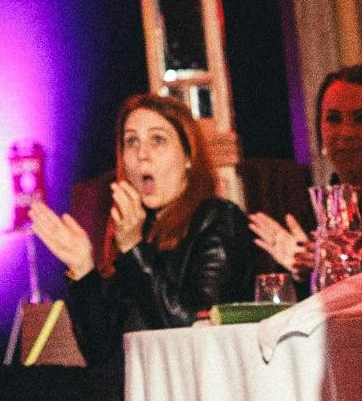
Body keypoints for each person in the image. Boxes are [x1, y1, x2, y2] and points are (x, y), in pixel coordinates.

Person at [26, 94, 264, 333]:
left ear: (188, 156)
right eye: (131, 141)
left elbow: (196, 328)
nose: (142, 154)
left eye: (158, 139)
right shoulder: (138, 231)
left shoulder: (218, 219)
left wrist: (134, 249)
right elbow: (104, 347)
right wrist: (83, 270)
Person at [250, 65, 362, 279]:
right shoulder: (309, 217)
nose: (346, 132)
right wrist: (300, 272)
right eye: (334, 119)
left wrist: (337, 263)